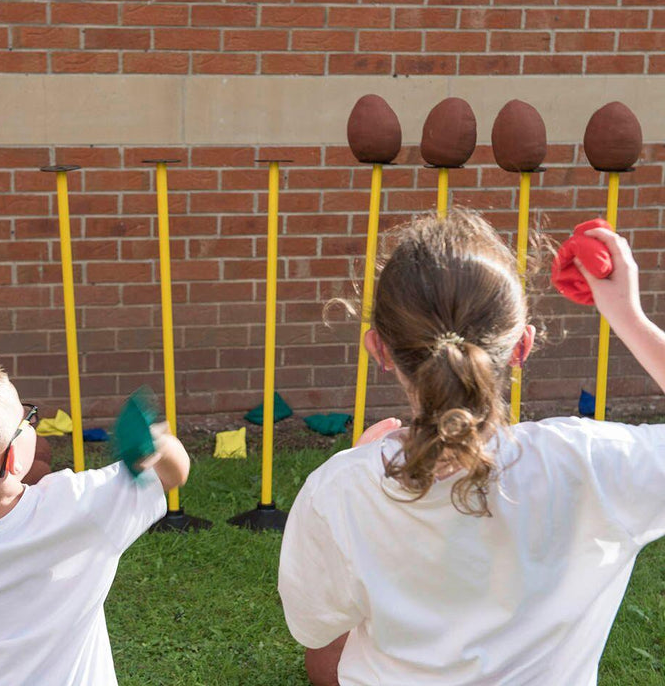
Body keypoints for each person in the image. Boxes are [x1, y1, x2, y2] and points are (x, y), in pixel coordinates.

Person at [278, 210, 665, 686]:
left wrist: (358, 472)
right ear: (522, 347)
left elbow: (318, 633)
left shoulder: (338, 491)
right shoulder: (592, 464)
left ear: (378, 349)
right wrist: (627, 315)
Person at [0, 352, 191, 686]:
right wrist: (157, 441)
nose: (34, 422)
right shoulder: (81, 504)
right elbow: (172, 476)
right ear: (13, 457)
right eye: (27, 418)